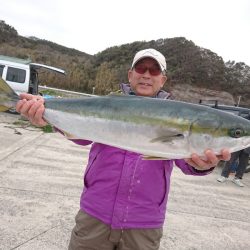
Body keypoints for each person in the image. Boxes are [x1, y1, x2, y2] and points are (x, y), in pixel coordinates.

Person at [16, 48, 230, 250]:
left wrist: (202, 165)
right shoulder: (108, 103)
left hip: (144, 223)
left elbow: (185, 161)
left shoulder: (178, 114)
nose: (146, 74)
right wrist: (44, 114)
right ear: (130, 74)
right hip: (94, 214)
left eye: (154, 70)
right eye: (141, 69)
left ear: (162, 79)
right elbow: (82, 136)